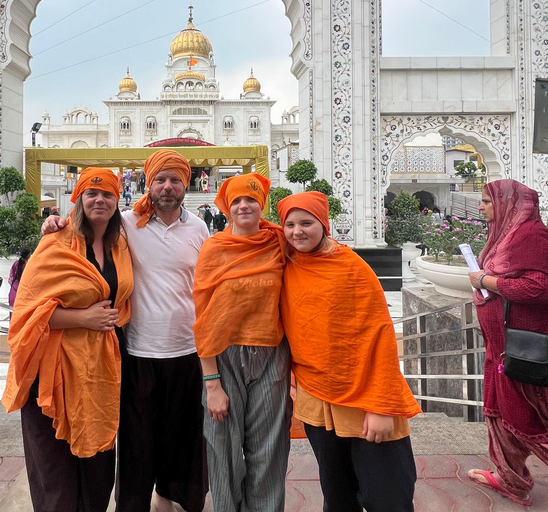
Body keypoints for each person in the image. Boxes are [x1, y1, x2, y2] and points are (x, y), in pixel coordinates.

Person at [42, 149, 209, 512]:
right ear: (148, 184)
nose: (167, 187)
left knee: (184, 435)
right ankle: (133, 504)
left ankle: (173, 497)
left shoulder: (198, 227)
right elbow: (86, 231)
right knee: (137, 440)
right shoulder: (127, 224)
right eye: (160, 180)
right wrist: (55, 223)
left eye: (175, 180)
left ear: (187, 184)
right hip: (137, 351)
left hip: (187, 349)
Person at [277, 192, 421, 512]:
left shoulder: (350, 267)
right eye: (289, 224)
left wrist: (381, 406)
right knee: (337, 491)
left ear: (323, 224)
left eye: (306, 223)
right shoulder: (287, 265)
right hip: (316, 395)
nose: (297, 231)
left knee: (387, 493)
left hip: (367, 393)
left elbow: (380, 333)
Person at [2, 167, 133, 512]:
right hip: (52, 372)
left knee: (98, 469)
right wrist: (84, 318)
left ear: (118, 200)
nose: (99, 200)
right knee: (54, 469)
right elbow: (25, 312)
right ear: (77, 199)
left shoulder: (119, 245)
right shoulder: (56, 242)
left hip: (100, 372)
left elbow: (163, 203)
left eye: (107, 193)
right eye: (91, 193)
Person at [466, 179, 548, 507]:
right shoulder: (504, 236)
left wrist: (486, 280)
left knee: (544, 426)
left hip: (529, 351)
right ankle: (511, 480)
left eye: (486, 202)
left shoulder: (533, 237)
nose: (480, 208)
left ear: (508, 204)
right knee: (499, 412)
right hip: (503, 348)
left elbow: (540, 289)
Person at [193, 173, 291, 512]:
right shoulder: (215, 248)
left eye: (250, 199)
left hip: (270, 353)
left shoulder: (278, 242)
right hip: (223, 356)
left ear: (260, 204)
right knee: (223, 448)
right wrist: (212, 385)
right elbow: (203, 316)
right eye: (236, 201)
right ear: (227, 207)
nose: (244, 205)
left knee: (269, 450)